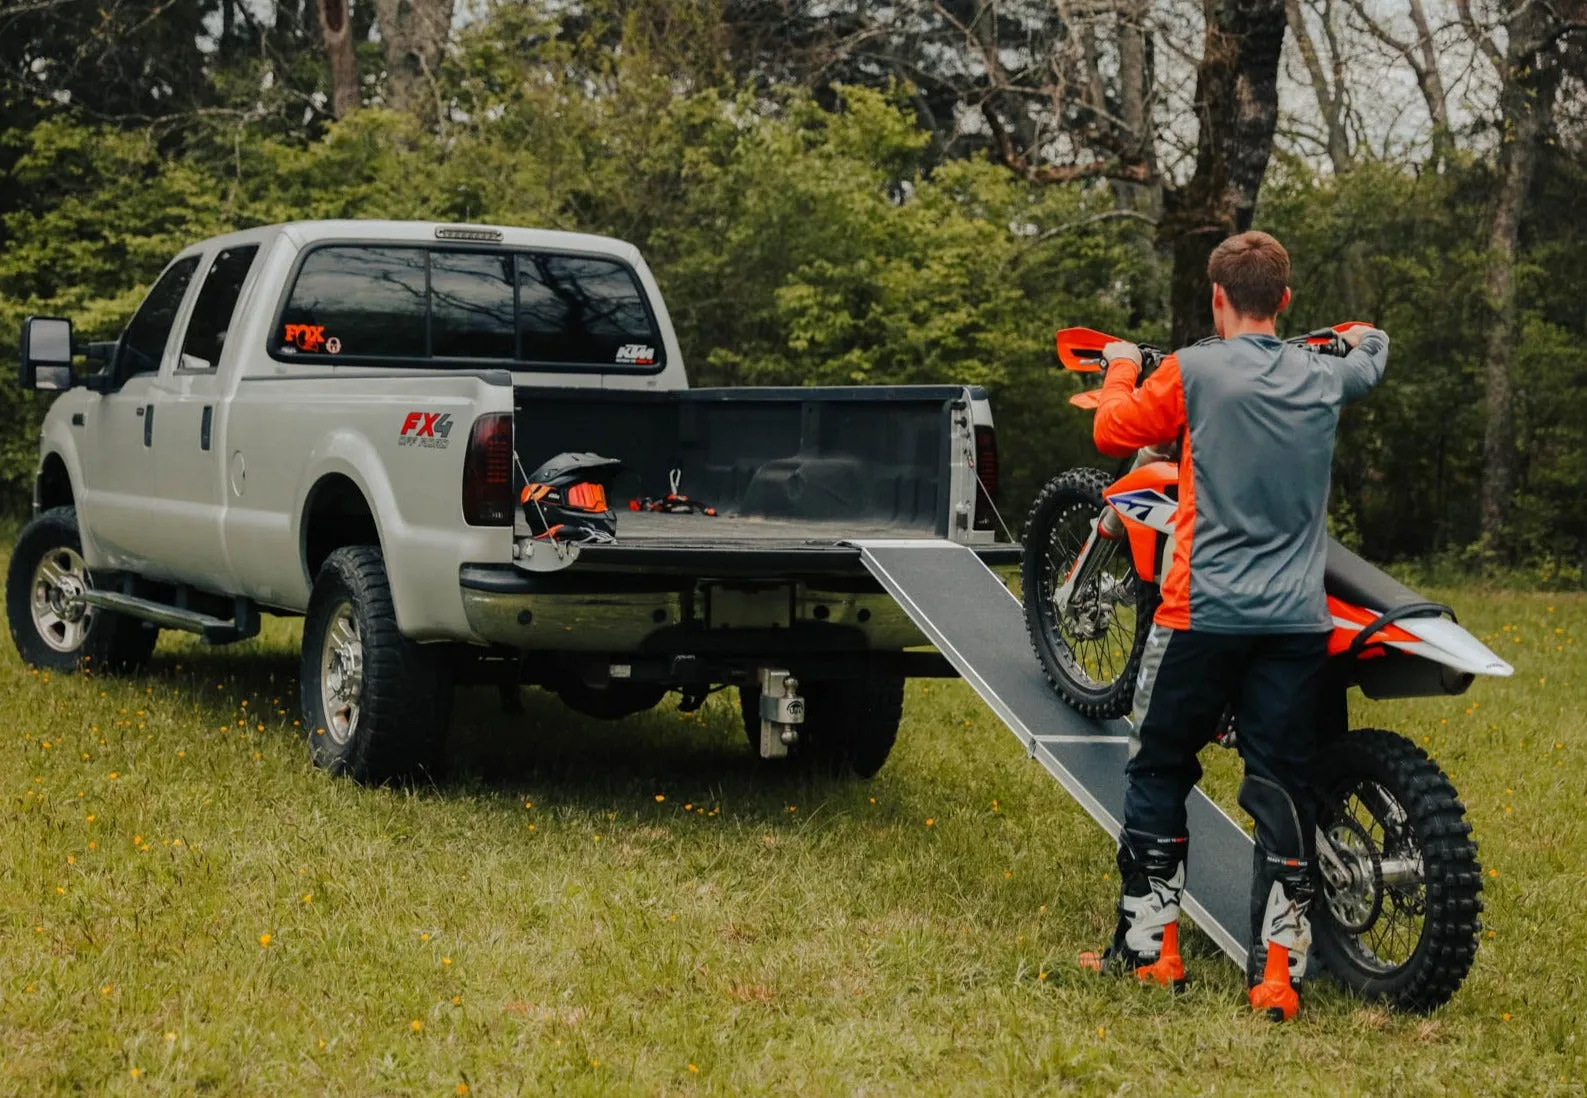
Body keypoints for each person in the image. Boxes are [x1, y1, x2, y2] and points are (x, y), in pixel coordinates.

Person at [1075, 230, 1389, 1021]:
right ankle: (1275, 975)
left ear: (1217, 298)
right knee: (1282, 783)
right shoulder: (1325, 374)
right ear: (1282, 300)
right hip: (1293, 623)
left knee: (1157, 768)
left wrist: (1118, 368)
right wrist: (1335, 336)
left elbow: (1112, 433)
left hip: (1199, 613)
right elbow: (1372, 348)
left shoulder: (1193, 370)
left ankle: (1154, 954)